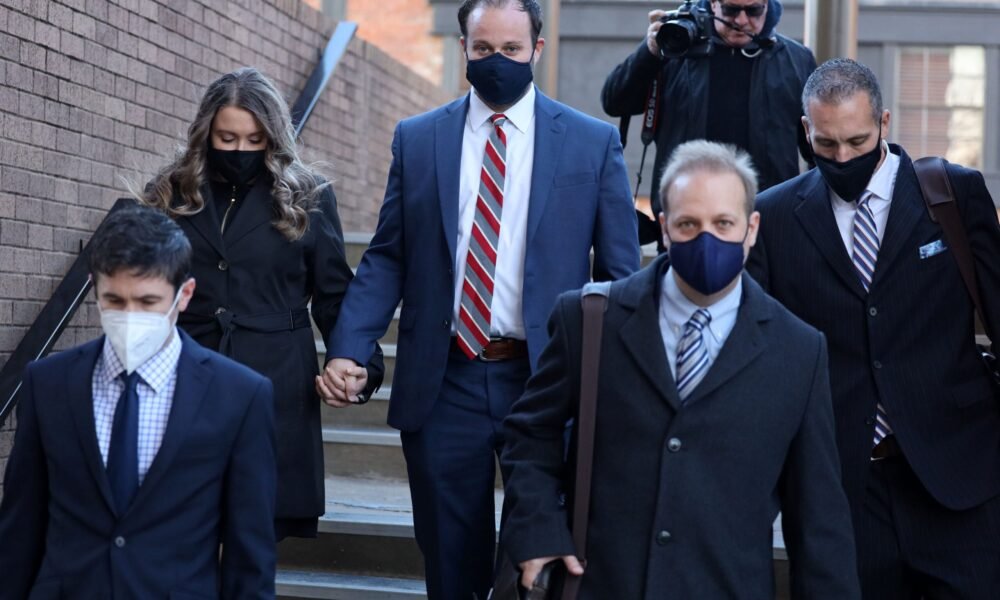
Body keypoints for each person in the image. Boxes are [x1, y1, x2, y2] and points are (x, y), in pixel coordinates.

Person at [320, 1, 640, 596]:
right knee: (450, 561)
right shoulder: (418, 139)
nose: (498, 61)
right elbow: (389, 255)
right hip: (445, 380)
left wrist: (617, 384)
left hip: (548, 379)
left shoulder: (591, 143)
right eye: (484, 48)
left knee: (540, 560)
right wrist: (349, 346)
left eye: (511, 49)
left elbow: (621, 276)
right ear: (463, 46)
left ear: (536, 49)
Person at [501, 140, 860, 598]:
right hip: (602, 585)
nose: (707, 239)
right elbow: (530, 433)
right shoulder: (589, 320)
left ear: (751, 228)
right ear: (665, 228)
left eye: (723, 223)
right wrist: (538, 531)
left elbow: (819, 520)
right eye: (689, 224)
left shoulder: (799, 351)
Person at [746, 58, 1000, 598]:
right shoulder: (774, 217)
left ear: (884, 122)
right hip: (842, 491)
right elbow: (760, 354)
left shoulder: (952, 194)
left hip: (960, 477)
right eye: (826, 144)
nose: (842, 157)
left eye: (857, 142)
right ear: (806, 130)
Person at [141, 67, 384, 540]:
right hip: (185, 372)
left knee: (256, 535)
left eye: (255, 140)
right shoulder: (169, 191)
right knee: (182, 527)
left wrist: (357, 363)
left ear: (274, 137)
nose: (240, 151)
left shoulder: (308, 195)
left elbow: (334, 296)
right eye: (227, 138)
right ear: (206, 133)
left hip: (276, 381)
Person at [0, 206, 276, 599]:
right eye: (114, 300)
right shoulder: (47, 383)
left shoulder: (239, 395)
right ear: (95, 288)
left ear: (184, 295)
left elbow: (249, 554)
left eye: (148, 302)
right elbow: (19, 528)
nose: (130, 316)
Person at [602, 0, 816, 247]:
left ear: (767, 5)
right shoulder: (676, 49)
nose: (742, 20)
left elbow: (815, 147)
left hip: (771, 227)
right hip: (686, 221)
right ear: (713, 4)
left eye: (753, 10)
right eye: (731, 10)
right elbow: (615, 102)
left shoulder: (796, 59)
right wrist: (649, 52)